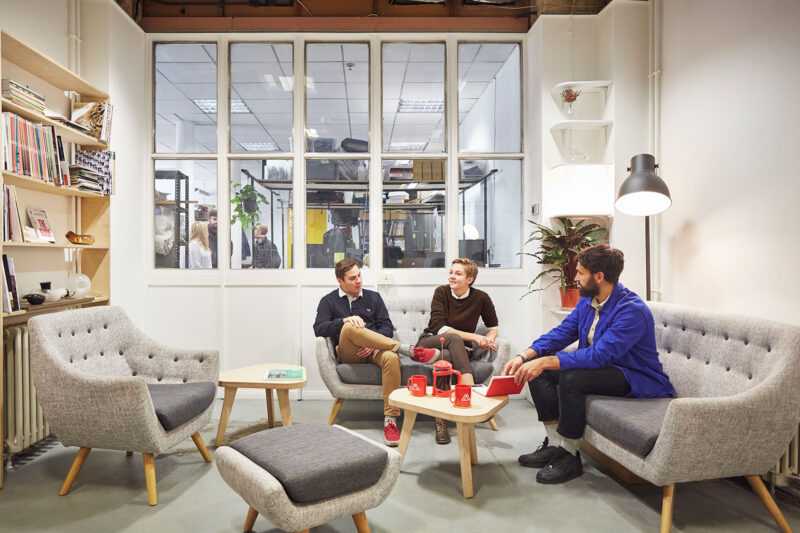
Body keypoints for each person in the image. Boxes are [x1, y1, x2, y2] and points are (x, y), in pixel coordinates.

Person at [504, 244, 675, 484]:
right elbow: (563, 332)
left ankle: (569, 456)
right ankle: (555, 443)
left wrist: (548, 360)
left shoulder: (631, 311)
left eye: (581, 272)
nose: (576, 278)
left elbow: (599, 355)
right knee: (539, 372)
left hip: (633, 376)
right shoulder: (588, 300)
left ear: (599, 276)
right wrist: (526, 355)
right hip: (605, 369)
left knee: (571, 378)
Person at [313, 257, 402, 446]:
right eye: (352, 278)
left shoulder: (374, 297)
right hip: (349, 352)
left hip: (375, 350)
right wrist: (343, 321)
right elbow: (319, 329)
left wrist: (373, 343)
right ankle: (400, 347)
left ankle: (390, 419)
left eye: (359, 276)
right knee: (350, 326)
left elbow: (387, 327)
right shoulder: (328, 301)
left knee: (391, 357)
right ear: (340, 280)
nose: (358, 281)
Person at [417, 258, 499, 444]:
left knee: (445, 359)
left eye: (458, 273)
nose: (452, 276)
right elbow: (440, 328)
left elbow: (493, 327)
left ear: (470, 279)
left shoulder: (481, 298)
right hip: (431, 341)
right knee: (453, 338)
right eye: (451, 272)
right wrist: (476, 337)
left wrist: (489, 339)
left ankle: (440, 420)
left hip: (457, 351)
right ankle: (470, 397)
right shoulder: (441, 292)